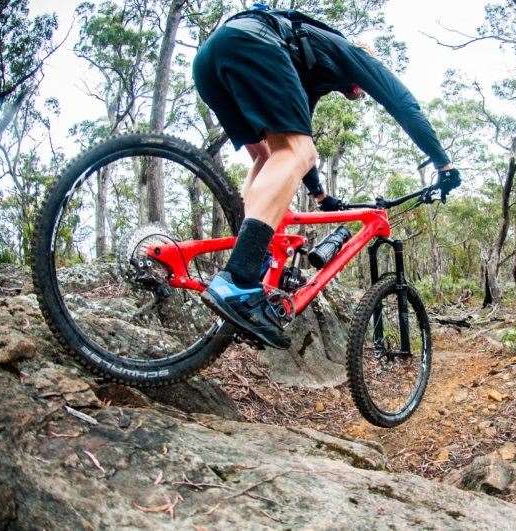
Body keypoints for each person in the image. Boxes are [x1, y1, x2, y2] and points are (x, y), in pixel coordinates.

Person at [193, 4, 461, 349]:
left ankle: (253, 259)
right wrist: (443, 163)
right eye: (361, 88)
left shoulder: (312, 70)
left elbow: (299, 145)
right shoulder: (350, 53)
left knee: (267, 154)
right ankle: (239, 279)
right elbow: (404, 105)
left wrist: (320, 196)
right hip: (251, 41)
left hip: (211, 58)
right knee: (293, 152)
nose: (360, 94)